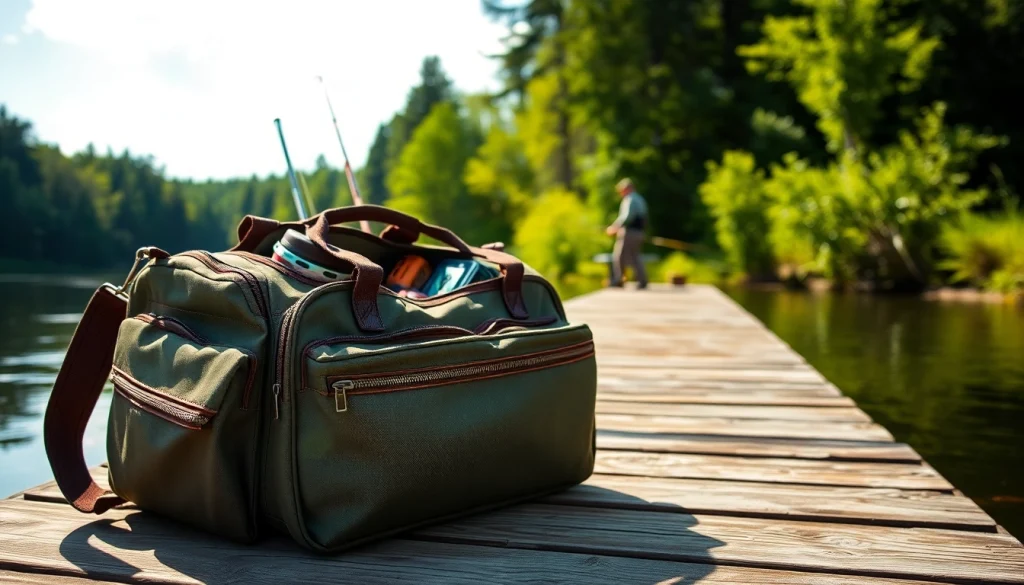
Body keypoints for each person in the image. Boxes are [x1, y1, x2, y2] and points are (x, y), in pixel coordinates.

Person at [605, 177, 649, 289]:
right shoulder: (640, 199)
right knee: (635, 256)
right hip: (639, 232)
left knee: (619, 256)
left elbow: (627, 217)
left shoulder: (630, 199)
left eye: (621, 190)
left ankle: (618, 279)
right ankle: (642, 280)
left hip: (630, 233)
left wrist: (614, 227)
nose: (620, 193)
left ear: (627, 189)